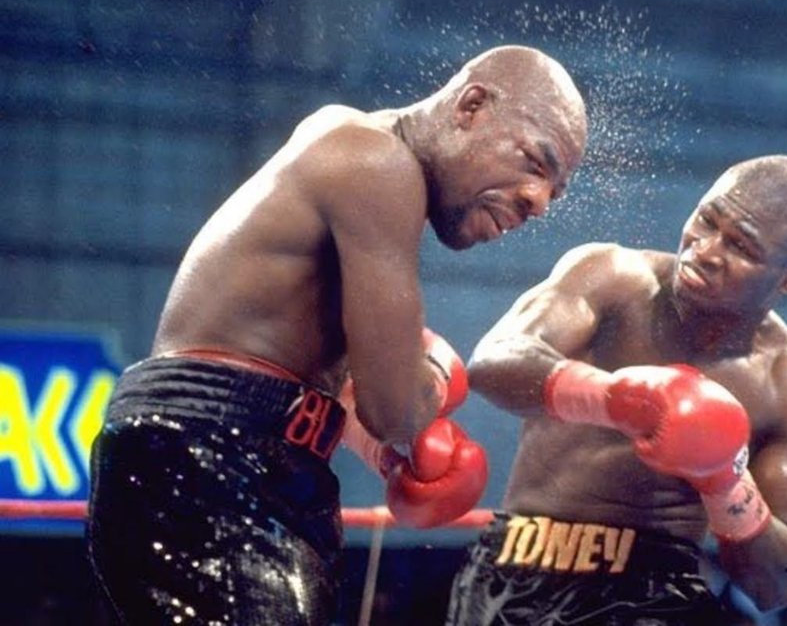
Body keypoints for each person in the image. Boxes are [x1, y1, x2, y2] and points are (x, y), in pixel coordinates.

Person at [86, 45, 588, 625]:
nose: (540, 201)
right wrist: (432, 374)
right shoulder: (377, 161)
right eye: (535, 162)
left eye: (557, 189)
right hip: (209, 459)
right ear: (471, 106)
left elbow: (291, 371)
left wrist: (384, 455)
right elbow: (395, 408)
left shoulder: (357, 161)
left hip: (242, 459)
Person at [446, 155, 787, 625]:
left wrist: (726, 482)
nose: (705, 250)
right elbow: (493, 360)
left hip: (650, 597)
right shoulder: (612, 277)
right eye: (706, 221)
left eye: (740, 247)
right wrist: (615, 399)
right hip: (514, 567)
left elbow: (777, 583)